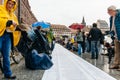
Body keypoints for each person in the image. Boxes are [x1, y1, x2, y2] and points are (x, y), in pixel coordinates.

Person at [0, 0, 20, 79]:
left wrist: (14, 25)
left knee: (6, 55)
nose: (10, 5)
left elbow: (15, 26)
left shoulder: (13, 15)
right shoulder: (1, 9)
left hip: (8, 36)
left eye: (12, 4)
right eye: (9, 3)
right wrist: (7, 22)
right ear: (6, 3)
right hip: (0, 35)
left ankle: (8, 73)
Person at [107, 5, 120, 70]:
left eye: (109, 11)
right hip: (116, 36)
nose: (108, 12)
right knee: (117, 51)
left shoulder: (119, 15)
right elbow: (112, 27)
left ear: (113, 10)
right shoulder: (111, 18)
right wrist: (111, 34)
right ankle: (116, 64)